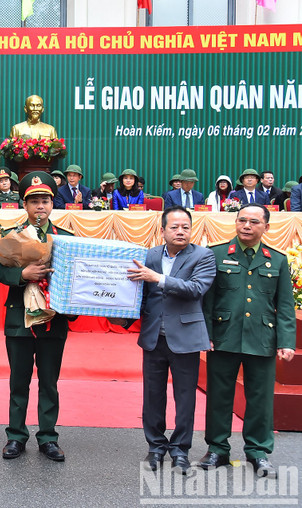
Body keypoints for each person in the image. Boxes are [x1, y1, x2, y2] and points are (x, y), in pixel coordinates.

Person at [200, 203, 296, 478]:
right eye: (242, 220)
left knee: (260, 398)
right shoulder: (217, 254)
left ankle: (258, 452)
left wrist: (286, 340)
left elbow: (286, 306)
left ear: (266, 226)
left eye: (254, 222)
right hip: (223, 336)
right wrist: (205, 334)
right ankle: (217, 448)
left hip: (261, 337)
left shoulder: (276, 260)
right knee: (219, 396)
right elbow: (207, 301)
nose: (246, 226)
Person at [122, 206, 216, 474]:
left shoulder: (203, 256)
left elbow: (196, 289)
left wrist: (159, 278)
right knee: (152, 396)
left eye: (185, 227)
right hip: (154, 337)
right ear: (162, 230)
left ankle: (180, 450)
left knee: (185, 397)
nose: (180, 231)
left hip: (185, 337)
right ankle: (155, 447)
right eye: (174, 227)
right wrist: (121, 314)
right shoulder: (149, 255)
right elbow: (140, 293)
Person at [0, 171, 74, 461]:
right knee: (18, 380)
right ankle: (16, 436)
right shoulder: (12, 237)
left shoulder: (65, 239)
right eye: (34, 202)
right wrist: (22, 274)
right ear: (24, 205)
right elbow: (0, 271)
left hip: (52, 319)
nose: (40, 206)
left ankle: (48, 437)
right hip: (19, 319)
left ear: (52, 204)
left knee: (49, 381)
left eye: (45, 200)